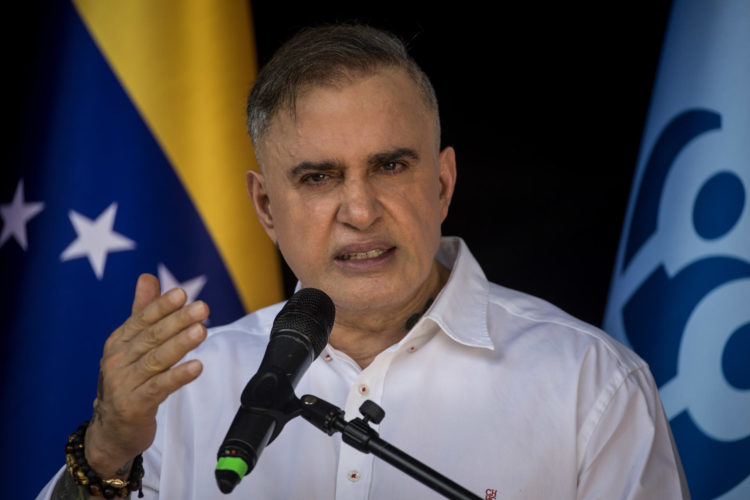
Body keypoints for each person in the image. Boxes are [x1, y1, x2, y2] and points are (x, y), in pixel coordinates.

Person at [39, 24, 689, 499]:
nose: (359, 209)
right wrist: (105, 451)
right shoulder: (184, 392)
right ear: (265, 206)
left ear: (442, 183)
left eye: (390, 165)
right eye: (319, 177)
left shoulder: (592, 387)